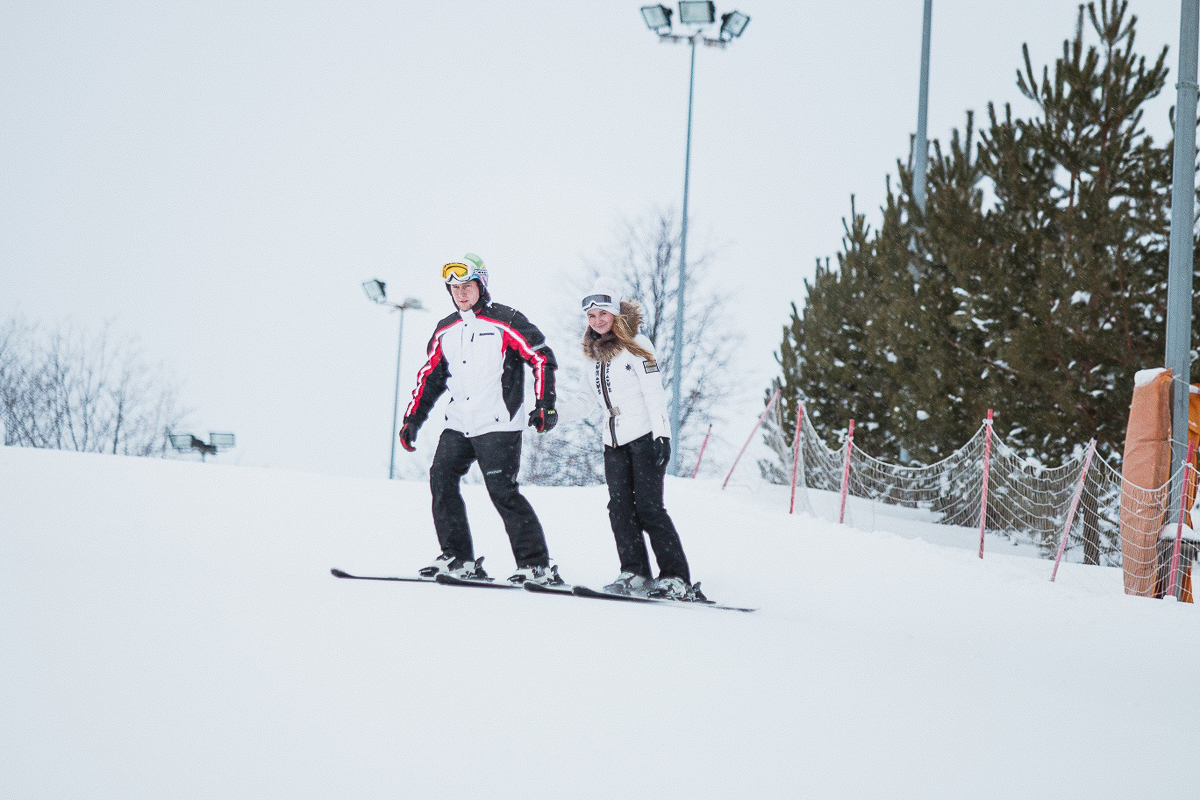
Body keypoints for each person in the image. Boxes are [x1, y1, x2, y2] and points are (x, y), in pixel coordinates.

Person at [398, 253, 564, 587]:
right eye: (455, 287)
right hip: (460, 421)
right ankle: (458, 558)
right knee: (441, 478)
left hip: (499, 421)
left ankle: (536, 565)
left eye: (468, 286)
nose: (461, 293)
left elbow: (541, 357)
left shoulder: (506, 321)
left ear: (481, 286)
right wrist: (413, 418)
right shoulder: (445, 329)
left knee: (502, 490)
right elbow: (430, 377)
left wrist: (544, 403)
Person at [574, 281, 703, 601]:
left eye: (603, 313)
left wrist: (663, 435)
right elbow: (583, 400)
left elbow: (653, 393)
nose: (597, 320)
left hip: (644, 437)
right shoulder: (591, 354)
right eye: (591, 315)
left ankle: (676, 577)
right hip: (613, 441)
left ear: (615, 313)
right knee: (619, 508)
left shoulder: (636, 343)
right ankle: (634, 571)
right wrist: (551, 415)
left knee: (649, 508)